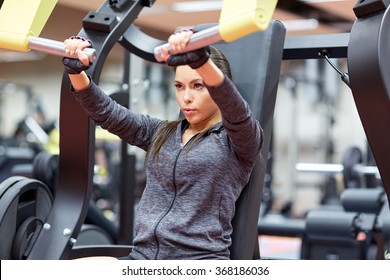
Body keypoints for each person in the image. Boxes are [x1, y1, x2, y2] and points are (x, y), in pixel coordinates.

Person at [62, 29, 263, 260]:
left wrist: (202, 61)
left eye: (198, 86)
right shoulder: (162, 133)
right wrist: (75, 70)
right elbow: (108, 113)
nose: (186, 97)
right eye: (179, 86)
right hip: (142, 257)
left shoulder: (239, 140)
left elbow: (237, 111)